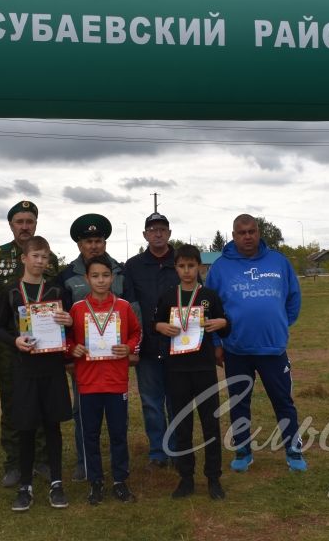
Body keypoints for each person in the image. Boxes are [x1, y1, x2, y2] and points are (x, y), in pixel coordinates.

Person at [205, 214, 306, 472]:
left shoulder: (278, 261)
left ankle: (293, 449)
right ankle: (243, 450)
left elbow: (293, 298)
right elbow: (210, 308)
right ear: (233, 235)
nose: (247, 236)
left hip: (273, 349)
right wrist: (217, 341)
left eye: (252, 231)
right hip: (236, 350)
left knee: (283, 400)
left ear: (258, 232)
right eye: (242, 232)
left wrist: (280, 323)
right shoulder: (220, 267)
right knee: (239, 402)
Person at [0, 236, 73, 512]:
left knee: (52, 425)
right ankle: (25, 486)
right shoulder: (11, 291)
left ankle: (57, 483)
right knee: (26, 427)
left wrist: (69, 321)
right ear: (23, 259)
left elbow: (70, 327)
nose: (40, 261)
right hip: (24, 368)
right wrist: (13, 341)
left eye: (45, 256)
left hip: (51, 367)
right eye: (35, 256)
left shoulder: (56, 290)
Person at [56, 213, 137, 481]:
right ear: (79, 244)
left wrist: (132, 348)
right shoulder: (66, 276)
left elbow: (132, 311)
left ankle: (118, 469)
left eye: (98, 240)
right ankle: (84, 463)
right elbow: (61, 321)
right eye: (88, 241)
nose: (94, 245)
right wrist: (68, 355)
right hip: (84, 363)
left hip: (115, 362)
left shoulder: (121, 272)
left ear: (105, 242)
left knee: (117, 419)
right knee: (83, 414)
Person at [0, 201, 59, 488]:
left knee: (42, 402)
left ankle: (41, 459)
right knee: (15, 404)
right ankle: (14, 462)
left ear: (36, 224)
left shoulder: (46, 256)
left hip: (44, 346)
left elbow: (56, 297)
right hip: (9, 348)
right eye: (19, 221)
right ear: (11, 224)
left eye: (29, 220)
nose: (25, 226)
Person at [154, 244, 230, 499]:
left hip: (204, 368)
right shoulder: (167, 296)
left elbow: (224, 327)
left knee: (210, 423)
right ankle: (186, 478)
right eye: (181, 266)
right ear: (175, 267)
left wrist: (223, 322)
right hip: (176, 369)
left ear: (199, 267)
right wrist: (161, 326)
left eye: (191, 266)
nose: (187, 271)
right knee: (182, 425)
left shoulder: (209, 295)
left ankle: (213, 478)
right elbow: (155, 325)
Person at [66, 255, 142, 505]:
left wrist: (128, 347)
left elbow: (135, 332)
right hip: (88, 382)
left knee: (118, 433)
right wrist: (72, 348)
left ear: (113, 278)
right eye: (95, 276)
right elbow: (66, 339)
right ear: (87, 278)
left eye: (105, 276)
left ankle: (120, 481)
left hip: (116, 381)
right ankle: (95, 482)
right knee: (90, 434)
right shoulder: (77, 309)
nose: (101, 280)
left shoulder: (122, 306)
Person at [122, 212, 177, 468]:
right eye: (152, 229)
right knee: (151, 402)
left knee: (177, 400)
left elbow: (195, 301)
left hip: (178, 345)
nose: (157, 233)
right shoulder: (132, 266)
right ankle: (157, 451)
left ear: (169, 233)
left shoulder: (181, 261)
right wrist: (134, 344)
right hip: (147, 347)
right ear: (145, 234)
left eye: (162, 229)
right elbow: (129, 307)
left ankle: (177, 448)